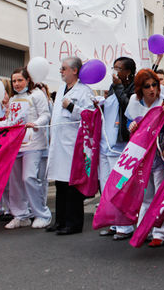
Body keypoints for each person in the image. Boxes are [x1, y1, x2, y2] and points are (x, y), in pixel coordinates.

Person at [47, 57, 94, 235]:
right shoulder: (60, 89)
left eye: (64, 68)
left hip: (73, 144)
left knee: (72, 185)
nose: (61, 71)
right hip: (59, 143)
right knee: (60, 183)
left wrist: (72, 107)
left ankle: (73, 223)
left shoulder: (84, 91)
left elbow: (90, 115)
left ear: (75, 71)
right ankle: (60, 220)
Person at [125, 68, 164, 247]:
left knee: (161, 195)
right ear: (140, 89)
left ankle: (161, 233)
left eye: (154, 85)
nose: (152, 89)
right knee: (146, 196)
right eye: (147, 86)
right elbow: (129, 121)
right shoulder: (134, 102)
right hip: (141, 156)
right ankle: (145, 229)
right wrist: (132, 126)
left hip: (160, 155)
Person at [5, 67, 52, 230]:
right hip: (15, 145)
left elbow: (45, 115)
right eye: (14, 81)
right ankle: (21, 215)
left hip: (34, 144)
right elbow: (9, 121)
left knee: (29, 178)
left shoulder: (38, 95)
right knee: (15, 181)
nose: (17, 84)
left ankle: (42, 214)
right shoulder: (12, 100)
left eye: (20, 80)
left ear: (28, 80)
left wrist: (36, 124)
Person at [97, 56, 137, 239]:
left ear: (128, 72)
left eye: (119, 68)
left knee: (120, 185)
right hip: (106, 142)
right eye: (114, 67)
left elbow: (128, 106)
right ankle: (113, 222)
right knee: (106, 185)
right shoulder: (113, 87)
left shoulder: (134, 87)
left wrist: (120, 86)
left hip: (120, 144)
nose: (115, 71)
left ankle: (125, 225)